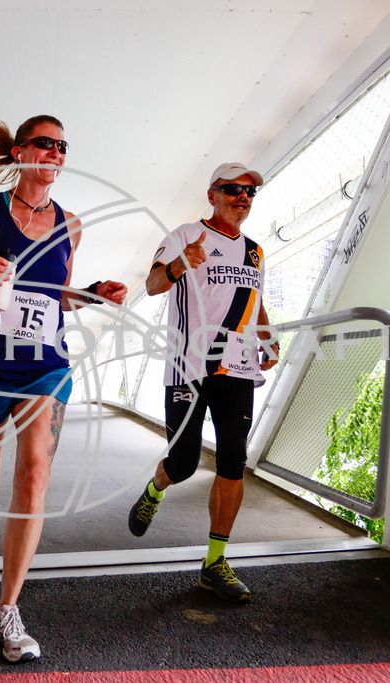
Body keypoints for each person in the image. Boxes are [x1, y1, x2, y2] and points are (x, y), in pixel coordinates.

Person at [0, 114, 126, 662]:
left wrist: (90, 294)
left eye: (64, 147)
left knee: (34, 473)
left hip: (45, 365)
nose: (57, 153)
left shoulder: (71, 224)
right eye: (46, 144)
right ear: (20, 152)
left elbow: (53, 293)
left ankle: (5, 611)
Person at [127, 162, 278, 602]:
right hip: (189, 368)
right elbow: (154, 284)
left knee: (234, 462)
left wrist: (268, 341)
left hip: (238, 371)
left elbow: (255, 303)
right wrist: (179, 264)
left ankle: (214, 564)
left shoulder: (255, 251)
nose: (242, 197)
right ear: (212, 194)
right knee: (185, 463)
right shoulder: (186, 235)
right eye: (233, 189)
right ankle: (156, 489)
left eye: (250, 192)